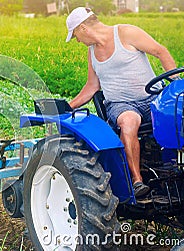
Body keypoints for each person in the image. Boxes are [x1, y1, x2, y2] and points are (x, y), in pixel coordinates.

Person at [65, 7, 178, 197]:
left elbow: (161, 52)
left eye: (75, 35)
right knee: (129, 121)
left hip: (151, 98)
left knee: (175, 116)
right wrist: (67, 107)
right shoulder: (92, 52)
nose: (77, 40)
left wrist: (176, 86)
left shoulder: (126, 33)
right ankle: (136, 182)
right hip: (120, 105)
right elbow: (92, 86)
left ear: (83, 28)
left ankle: (173, 168)